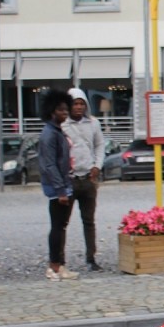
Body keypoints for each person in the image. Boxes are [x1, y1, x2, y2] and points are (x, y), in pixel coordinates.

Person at [38, 88, 78, 281]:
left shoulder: (56, 131)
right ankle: (54, 266)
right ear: (52, 111)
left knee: (61, 226)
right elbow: (49, 164)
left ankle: (60, 265)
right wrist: (61, 190)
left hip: (63, 184)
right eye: (61, 110)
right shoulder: (49, 134)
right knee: (57, 227)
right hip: (57, 187)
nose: (65, 113)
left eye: (66, 109)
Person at [63, 88, 105, 271]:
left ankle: (91, 257)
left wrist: (97, 166)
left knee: (89, 220)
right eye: (75, 103)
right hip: (70, 178)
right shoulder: (62, 124)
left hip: (88, 177)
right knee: (63, 222)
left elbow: (99, 145)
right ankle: (60, 260)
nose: (78, 107)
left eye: (81, 104)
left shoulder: (93, 123)